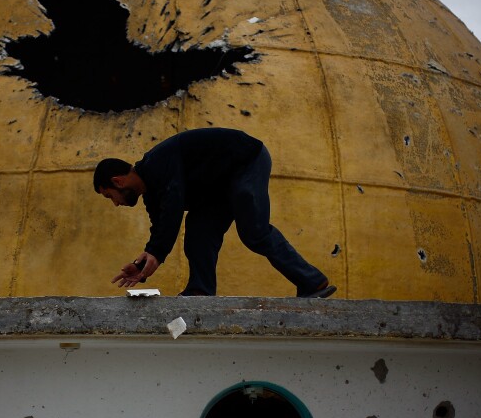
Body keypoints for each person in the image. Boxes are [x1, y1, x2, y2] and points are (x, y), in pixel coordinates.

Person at [93, 128, 336, 298]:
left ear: (118, 181)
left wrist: (157, 250)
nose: (115, 204)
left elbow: (174, 203)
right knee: (198, 233)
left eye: (109, 196)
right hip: (217, 189)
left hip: (245, 162)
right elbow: (161, 226)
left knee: (254, 232)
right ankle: (201, 290)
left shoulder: (158, 162)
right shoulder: (152, 193)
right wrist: (146, 262)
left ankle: (312, 282)